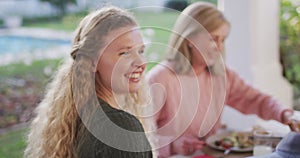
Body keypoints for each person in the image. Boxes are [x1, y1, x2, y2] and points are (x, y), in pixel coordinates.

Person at [146, 2, 294, 157]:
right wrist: (173, 145)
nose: (219, 47)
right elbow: (139, 136)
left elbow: (255, 99)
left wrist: (284, 114)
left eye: (222, 40)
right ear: (189, 39)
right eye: (213, 38)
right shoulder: (160, 79)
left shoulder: (220, 76)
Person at [24, 6, 153, 158]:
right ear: (92, 62)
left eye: (141, 51)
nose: (141, 62)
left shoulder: (77, 118)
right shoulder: (120, 127)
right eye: (125, 53)